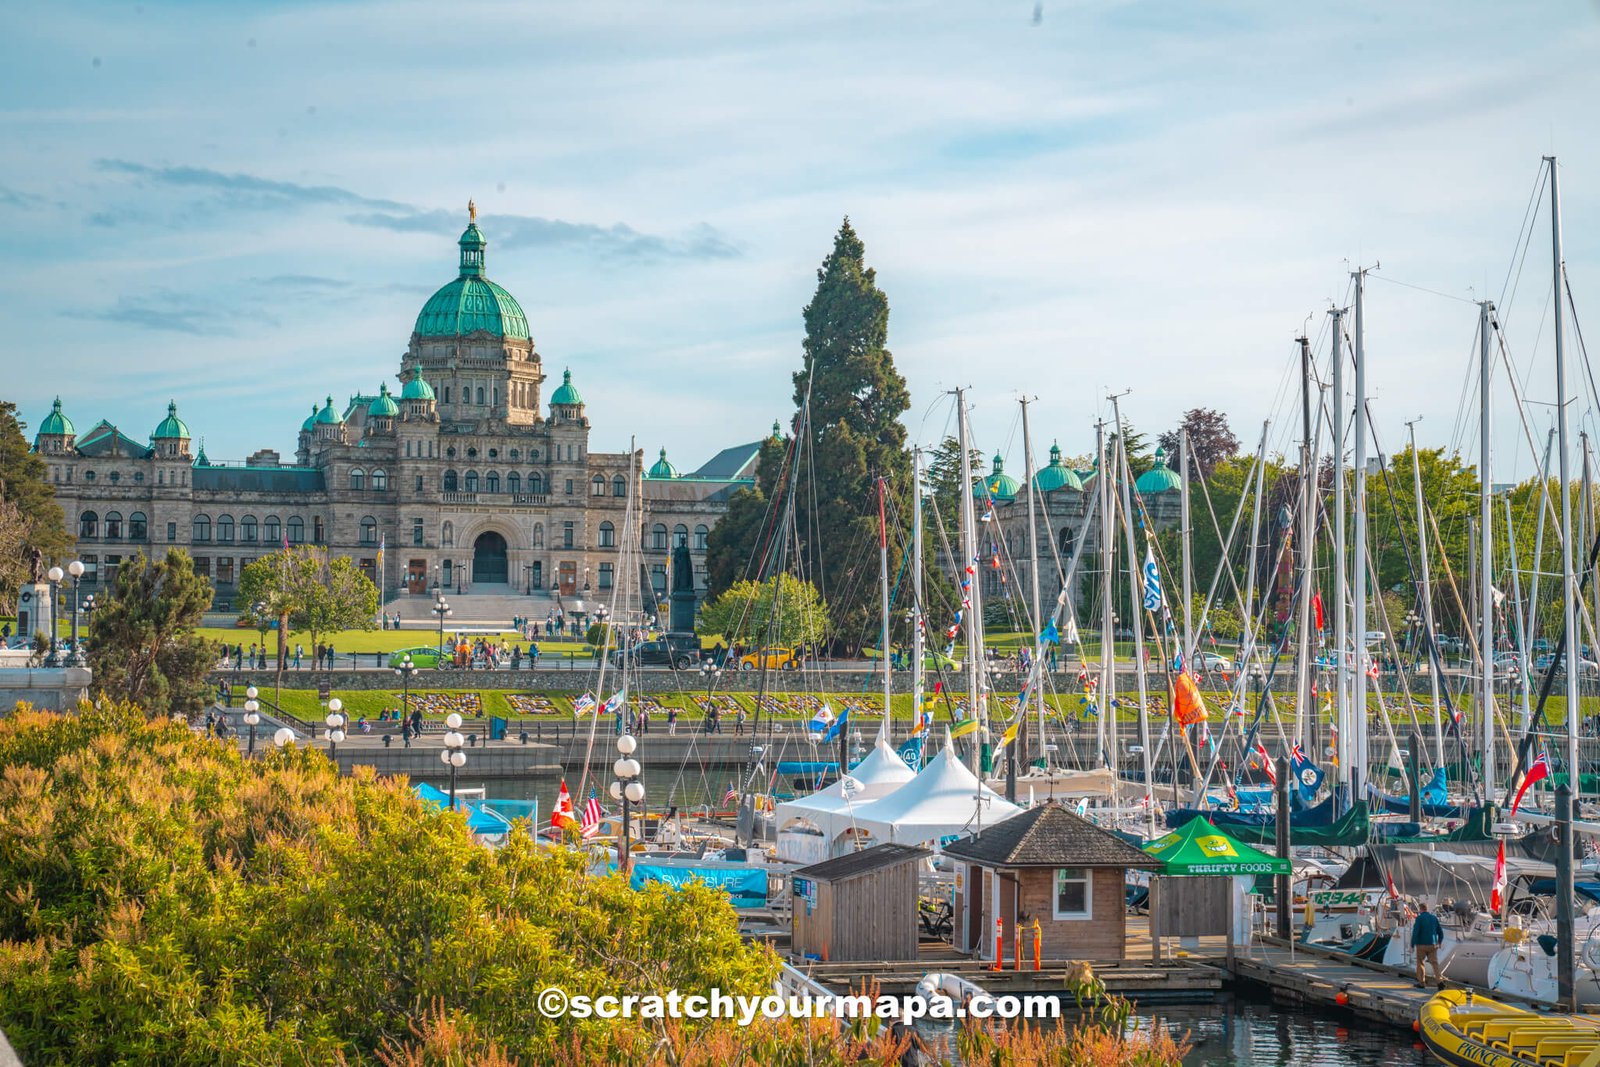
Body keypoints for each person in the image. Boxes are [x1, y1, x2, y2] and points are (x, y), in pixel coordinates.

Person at [1412, 902, 1445, 988]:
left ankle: (1421, 983)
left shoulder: (1419, 918)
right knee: (1435, 963)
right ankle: (1439, 981)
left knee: (1420, 963)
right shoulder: (1434, 918)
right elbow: (1440, 932)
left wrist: (1412, 944)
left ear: (1420, 909)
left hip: (1421, 945)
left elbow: (1415, 932)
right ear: (1427, 908)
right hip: (1433, 945)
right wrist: (1439, 942)